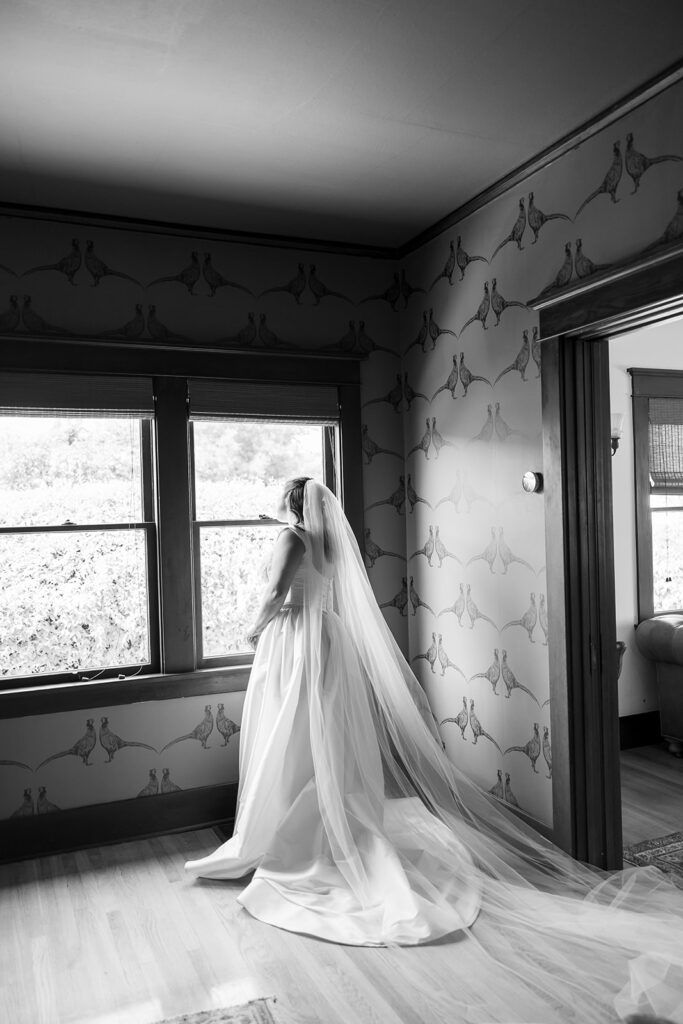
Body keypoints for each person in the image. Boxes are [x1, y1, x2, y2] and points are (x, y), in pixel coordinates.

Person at [186, 478, 683, 1023]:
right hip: (326, 639)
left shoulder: (294, 539)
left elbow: (274, 594)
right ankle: (313, 819)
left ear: (292, 505)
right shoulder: (327, 543)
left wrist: (254, 631)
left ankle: (286, 830)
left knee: (289, 737)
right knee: (315, 736)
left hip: (295, 640)